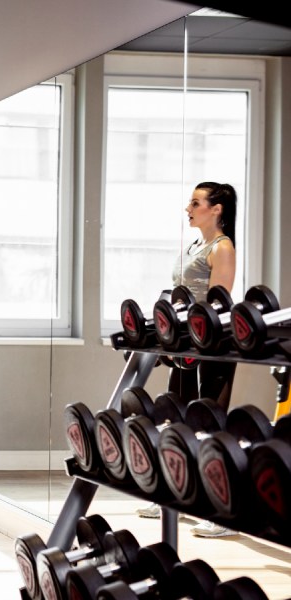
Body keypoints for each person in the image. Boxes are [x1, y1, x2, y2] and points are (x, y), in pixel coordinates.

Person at [136, 181, 238, 538]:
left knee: (210, 426)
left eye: (195, 203)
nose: (188, 208)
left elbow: (218, 304)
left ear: (217, 209)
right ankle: (175, 497)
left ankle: (221, 514)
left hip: (213, 344)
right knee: (174, 416)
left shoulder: (222, 247)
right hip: (185, 342)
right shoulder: (196, 244)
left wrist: (192, 334)